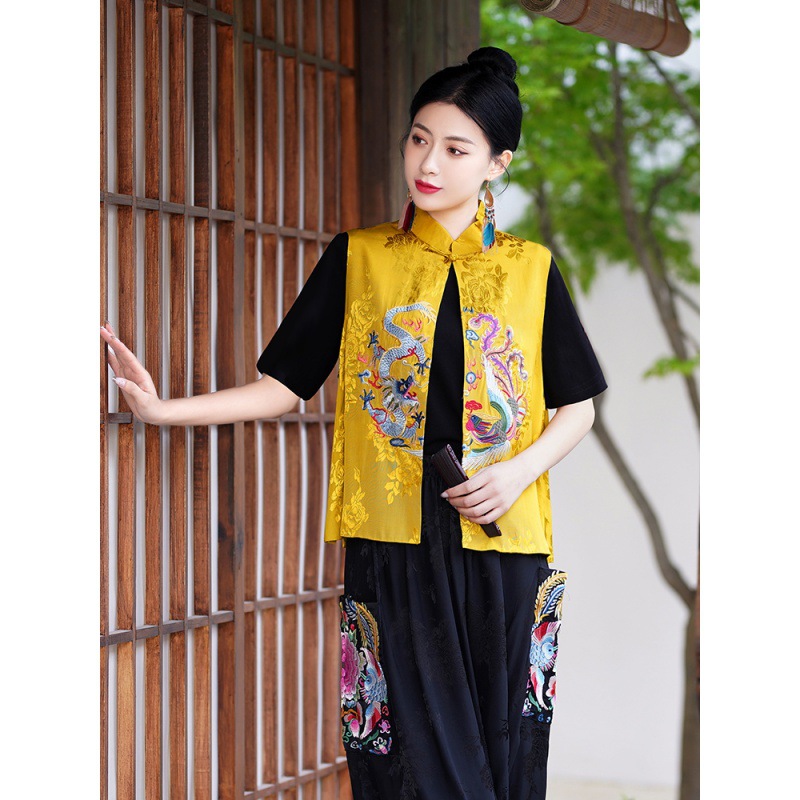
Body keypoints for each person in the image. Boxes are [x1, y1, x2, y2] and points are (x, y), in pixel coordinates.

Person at [101, 46, 607, 800]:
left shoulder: (530, 268)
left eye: (455, 149)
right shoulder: (360, 257)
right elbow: (282, 386)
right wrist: (162, 409)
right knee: (401, 761)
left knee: (506, 760)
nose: (428, 163)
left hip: (502, 546)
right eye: (419, 139)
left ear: (497, 164)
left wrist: (516, 472)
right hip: (391, 544)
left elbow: (580, 406)